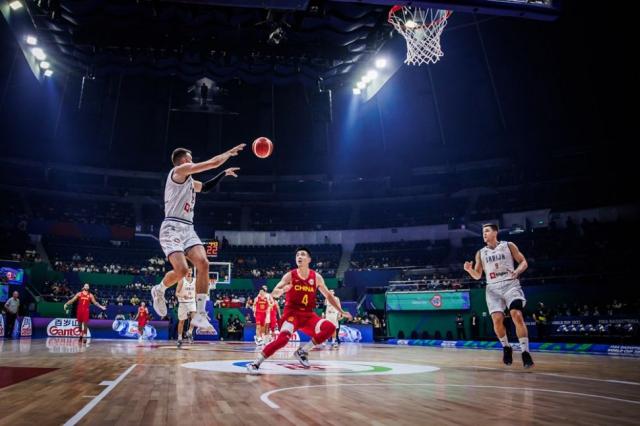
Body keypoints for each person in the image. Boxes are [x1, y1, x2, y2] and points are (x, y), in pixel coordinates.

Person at [150, 144, 245, 332]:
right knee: (183, 271)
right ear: (183, 161)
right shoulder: (178, 172)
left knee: (203, 263)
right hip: (172, 227)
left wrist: (223, 174)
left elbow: (207, 187)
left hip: (188, 228)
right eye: (190, 158)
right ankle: (159, 289)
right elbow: (211, 163)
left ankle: (200, 315)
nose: (192, 161)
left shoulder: (190, 183)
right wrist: (227, 153)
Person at [246, 247, 352, 374]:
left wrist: (341, 311)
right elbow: (274, 293)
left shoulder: (316, 277)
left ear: (309, 259)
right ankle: (256, 363)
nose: (299, 257)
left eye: (302, 254)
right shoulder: (290, 275)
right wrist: (283, 290)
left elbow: (328, 296)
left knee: (329, 328)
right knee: (283, 340)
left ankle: (303, 351)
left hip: (308, 315)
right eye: (297, 255)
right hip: (292, 314)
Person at [464, 223, 534, 368]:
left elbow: (523, 262)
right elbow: (477, 276)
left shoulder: (508, 245)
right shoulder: (481, 252)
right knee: (497, 320)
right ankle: (506, 347)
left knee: (517, 315)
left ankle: (525, 352)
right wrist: (470, 270)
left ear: (495, 233)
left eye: (487, 231)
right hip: (492, 288)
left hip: (510, 284)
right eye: (483, 232)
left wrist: (517, 271)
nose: (484, 234)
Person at [176, 267, 197, 348]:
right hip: (183, 303)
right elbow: (176, 293)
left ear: (192, 272)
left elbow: (196, 291)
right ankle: (180, 338)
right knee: (181, 322)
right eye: (188, 270)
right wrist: (182, 295)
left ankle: (190, 332)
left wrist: (196, 297)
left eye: (190, 270)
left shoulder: (195, 280)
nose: (189, 272)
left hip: (192, 302)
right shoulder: (181, 280)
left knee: (194, 318)